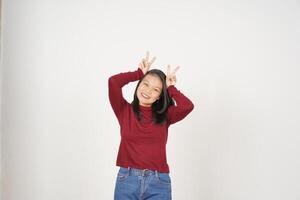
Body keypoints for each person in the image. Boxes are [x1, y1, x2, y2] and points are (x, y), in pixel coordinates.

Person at [108, 51, 194, 200]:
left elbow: (187, 106)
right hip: (127, 180)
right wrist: (138, 73)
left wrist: (170, 88)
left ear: (160, 95)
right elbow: (113, 82)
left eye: (155, 89)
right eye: (145, 84)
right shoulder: (124, 110)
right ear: (139, 84)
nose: (148, 91)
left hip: (158, 182)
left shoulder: (166, 115)